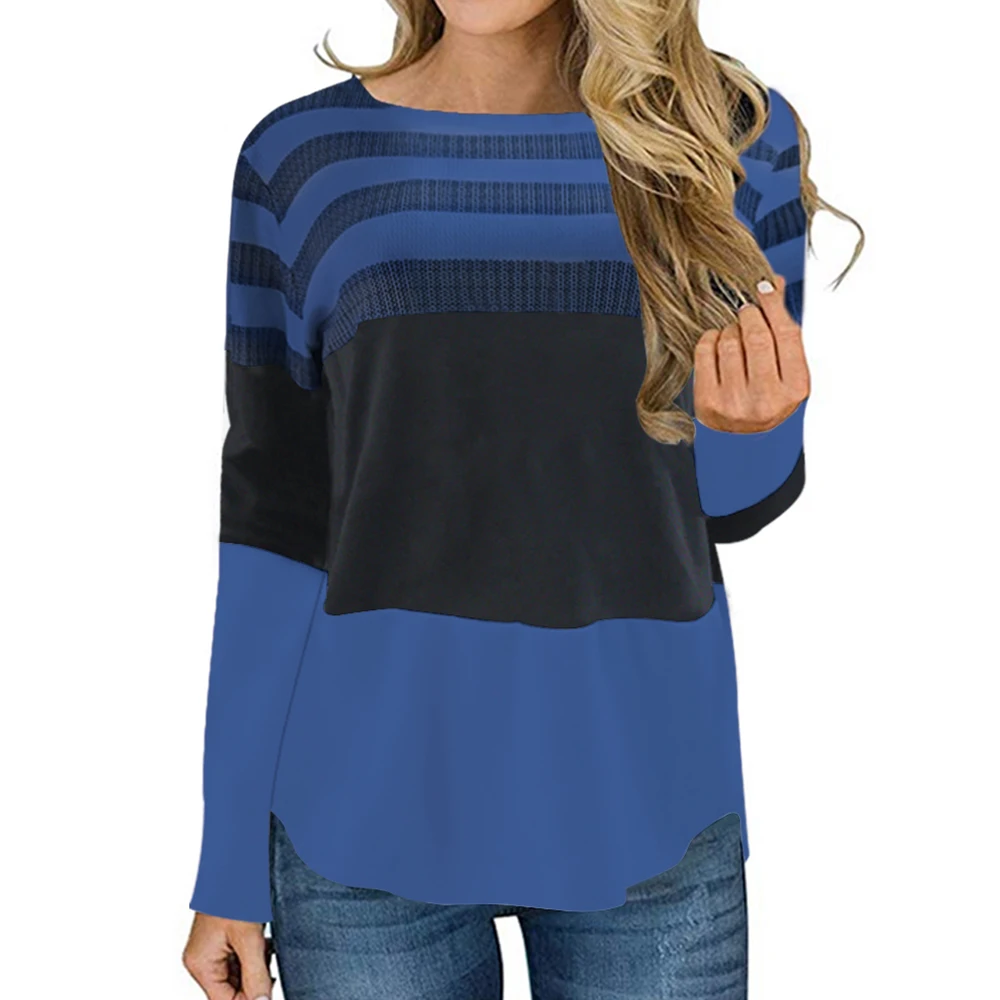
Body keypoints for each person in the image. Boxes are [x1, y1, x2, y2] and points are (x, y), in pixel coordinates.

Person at [182, 1, 863, 997]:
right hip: (362, 810)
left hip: (645, 795)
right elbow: (270, 525)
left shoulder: (731, 136)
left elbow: (733, 505)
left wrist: (750, 427)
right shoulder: (303, 159)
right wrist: (228, 864)